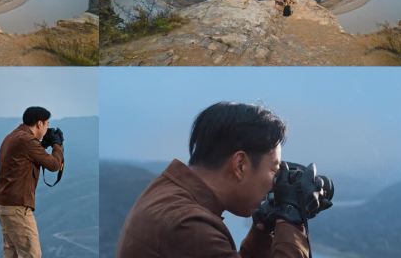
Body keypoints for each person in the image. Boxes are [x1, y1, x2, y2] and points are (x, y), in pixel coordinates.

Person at [116, 102, 321, 258]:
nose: (276, 182)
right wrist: (291, 218)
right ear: (240, 164)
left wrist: (264, 228)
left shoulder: (168, 192)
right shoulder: (188, 225)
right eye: (274, 169)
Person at [0, 106, 64, 258]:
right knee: (32, 255)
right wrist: (57, 144)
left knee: (12, 253)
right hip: (16, 207)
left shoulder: (14, 136)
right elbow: (54, 165)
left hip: (3, 205)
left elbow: (26, 155)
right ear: (39, 123)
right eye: (47, 124)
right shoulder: (26, 140)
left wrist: (42, 145)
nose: (47, 128)